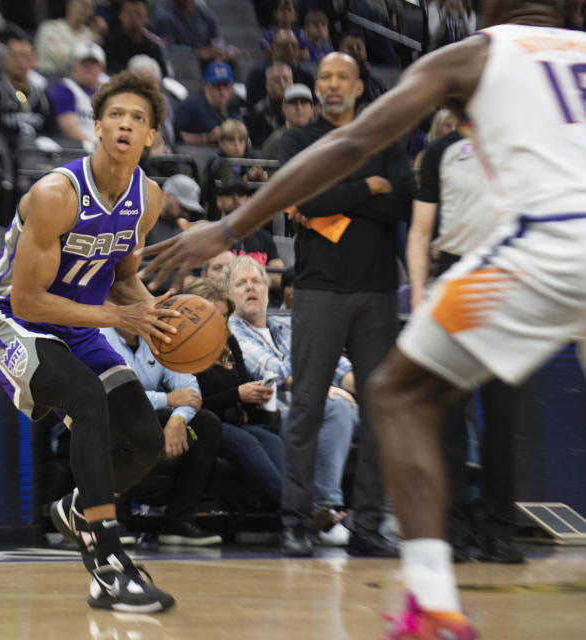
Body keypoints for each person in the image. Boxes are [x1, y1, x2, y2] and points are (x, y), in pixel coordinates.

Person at [137, 0, 586, 634]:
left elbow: (355, 142)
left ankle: (432, 604)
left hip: (553, 240)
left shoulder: (476, 54)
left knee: (396, 391)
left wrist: (228, 226)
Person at [0, 71, 177, 612]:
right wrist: (113, 315)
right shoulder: (57, 194)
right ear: (97, 127)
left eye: (138, 118)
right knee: (86, 400)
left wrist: (150, 312)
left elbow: (125, 275)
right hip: (6, 320)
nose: (125, 125)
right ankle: (107, 559)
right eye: (115, 115)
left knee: (146, 438)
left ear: (151, 136)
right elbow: (27, 301)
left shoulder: (147, 199)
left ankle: (78, 509)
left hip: (77, 324)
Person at [276, 51, 411, 558]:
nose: (332, 85)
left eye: (342, 78)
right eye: (325, 78)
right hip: (317, 289)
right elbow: (304, 200)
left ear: (359, 87)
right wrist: (366, 187)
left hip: (377, 292)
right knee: (308, 406)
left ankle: (369, 526)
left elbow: (401, 200)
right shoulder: (300, 139)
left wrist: (336, 194)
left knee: (381, 413)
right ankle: (295, 521)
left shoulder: (385, 137)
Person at [409, 119, 524, 564]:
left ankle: (498, 530)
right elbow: (420, 230)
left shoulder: (521, 146)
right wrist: (419, 290)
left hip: (508, 281)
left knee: (502, 417)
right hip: (452, 279)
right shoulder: (441, 151)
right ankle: (451, 528)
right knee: (448, 421)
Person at [226, 255, 358, 549]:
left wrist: (372, 388)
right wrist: (318, 383)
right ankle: (327, 510)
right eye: (241, 283)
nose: (251, 288)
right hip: (275, 416)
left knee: (381, 415)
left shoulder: (287, 327)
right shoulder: (232, 331)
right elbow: (271, 371)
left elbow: (336, 365)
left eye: (256, 281)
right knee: (336, 408)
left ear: (266, 289)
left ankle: (384, 515)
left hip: (318, 404)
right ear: (229, 293)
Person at [100, 325, 224, 545]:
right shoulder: (99, 336)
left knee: (207, 424)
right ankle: (109, 521)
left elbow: (191, 392)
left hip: (147, 417)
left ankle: (178, 519)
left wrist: (177, 420)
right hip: (101, 418)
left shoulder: (158, 338)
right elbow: (113, 396)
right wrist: (167, 399)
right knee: (113, 419)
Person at [186, 278, 284, 504]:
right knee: (246, 442)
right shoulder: (183, 348)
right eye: (214, 316)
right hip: (201, 423)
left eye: (224, 316)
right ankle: (300, 510)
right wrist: (238, 394)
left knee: (273, 440)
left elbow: (243, 381)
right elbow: (194, 402)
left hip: (233, 421)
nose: (221, 323)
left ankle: (297, 505)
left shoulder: (228, 341)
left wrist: (257, 393)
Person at [0, 35, 56, 148]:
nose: (19, 61)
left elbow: (53, 134)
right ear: (5, 60)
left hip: (38, 156)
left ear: (33, 61)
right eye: (14, 56)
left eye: (24, 56)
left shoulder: (44, 98)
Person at [48, 41, 107, 149]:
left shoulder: (109, 93)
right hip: (77, 151)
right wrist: (100, 149)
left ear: (102, 68)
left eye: (94, 64)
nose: (89, 68)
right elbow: (69, 131)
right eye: (84, 63)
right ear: (74, 66)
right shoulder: (65, 89)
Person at [174, 61, 244, 145]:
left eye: (226, 86)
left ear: (232, 88)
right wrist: (206, 138)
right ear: (206, 87)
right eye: (217, 86)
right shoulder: (192, 106)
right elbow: (175, 135)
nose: (222, 92)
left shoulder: (234, 108)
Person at [35, 0, 100, 75]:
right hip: (48, 77)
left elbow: (95, 63)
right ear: (69, 5)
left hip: (78, 82)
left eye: (90, 7)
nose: (86, 10)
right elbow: (60, 58)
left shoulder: (89, 34)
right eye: (83, 4)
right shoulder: (49, 28)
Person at [104, 0, 167, 76]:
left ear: (146, 18)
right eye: (129, 14)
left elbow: (164, 74)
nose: (134, 18)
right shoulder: (110, 44)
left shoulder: (153, 46)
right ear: (121, 16)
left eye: (138, 14)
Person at [145, 174, 204, 246]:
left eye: (189, 210)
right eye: (182, 206)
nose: (186, 214)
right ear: (167, 196)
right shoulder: (144, 223)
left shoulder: (184, 229)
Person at [262, 83, 315, 162]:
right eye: (293, 103)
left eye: (304, 103)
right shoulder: (274, 143)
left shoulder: (322, 138)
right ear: (284, 109)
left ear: (312, 109)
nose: (299, 108)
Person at [245, 62, 292, 147]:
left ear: (292, 83)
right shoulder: (257, 115)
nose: (282, 84)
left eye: (285, 79)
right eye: (276, 80)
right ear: (267, 85)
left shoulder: (302, 109)